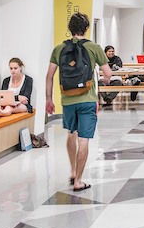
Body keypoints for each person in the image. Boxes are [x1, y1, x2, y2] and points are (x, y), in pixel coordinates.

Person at [45, 12, 112, 192]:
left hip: (67, 100)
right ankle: (79, 181)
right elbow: (108, 73)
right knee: (84, 140)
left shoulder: (59, 49)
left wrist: (49, 99)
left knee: (71, 134)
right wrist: (105, 79)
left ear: (70, 29)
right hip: (87, 100)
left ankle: (73, 171)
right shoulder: (94, 47)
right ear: (86, 28)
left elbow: (49, 76)